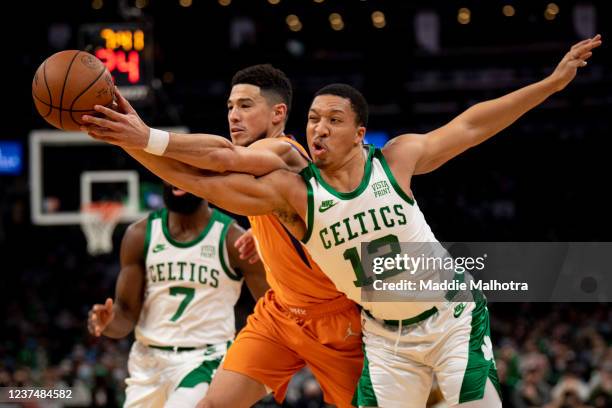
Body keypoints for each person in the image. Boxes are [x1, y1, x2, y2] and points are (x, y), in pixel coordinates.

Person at [89, 36, 601, 407]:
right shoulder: (296, 191)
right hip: (354, 326)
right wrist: (133, 141)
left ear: (360, 132)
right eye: (314, 119)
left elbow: (470, 124)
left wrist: (550, 84)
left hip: (434, 317)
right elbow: (205, 182)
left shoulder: (382, 159)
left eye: (333, 120)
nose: (319, 128)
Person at [83, 64, 365, 408]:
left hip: (334, 319)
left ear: (278, 113)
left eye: (246, 106)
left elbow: (217, 162)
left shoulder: (284, 152)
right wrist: (128, 140)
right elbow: (198, 182)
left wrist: (142, 136)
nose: (234, 115)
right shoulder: (259, 171)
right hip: (280, 314)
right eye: (230, 107)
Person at [87, 182, 268, 407]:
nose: (175, 178)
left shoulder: (232, 238)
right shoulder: (139, 235)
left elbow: (272, 307)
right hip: (147, 363)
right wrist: (108, 322)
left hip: (206, 359)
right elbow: (125, 316)